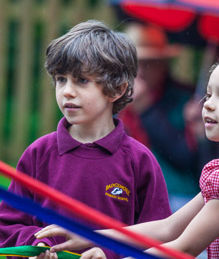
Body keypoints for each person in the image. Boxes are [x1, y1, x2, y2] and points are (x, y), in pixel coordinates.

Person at [36, 48, 219, 258]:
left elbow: (183, 248)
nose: (208, 105)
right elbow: (169, 227)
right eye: (209, 94)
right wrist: (91, 236)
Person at [0, 20, 171, 259]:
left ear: (117, 89)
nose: (67, 91)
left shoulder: (139, 160)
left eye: (81, 80)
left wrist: (109, 253)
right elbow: (7, 224)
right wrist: (35, 243)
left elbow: (160, 237)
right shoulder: (39, 153)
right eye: (61, 79)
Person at [119, 23, 205, 207]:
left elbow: (184, 158)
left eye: (147, 63)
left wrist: (146, 109)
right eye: (133, 64)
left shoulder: (186, 99)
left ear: (163, 64)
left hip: (174, 194)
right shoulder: (115, 98)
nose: (139, 71)